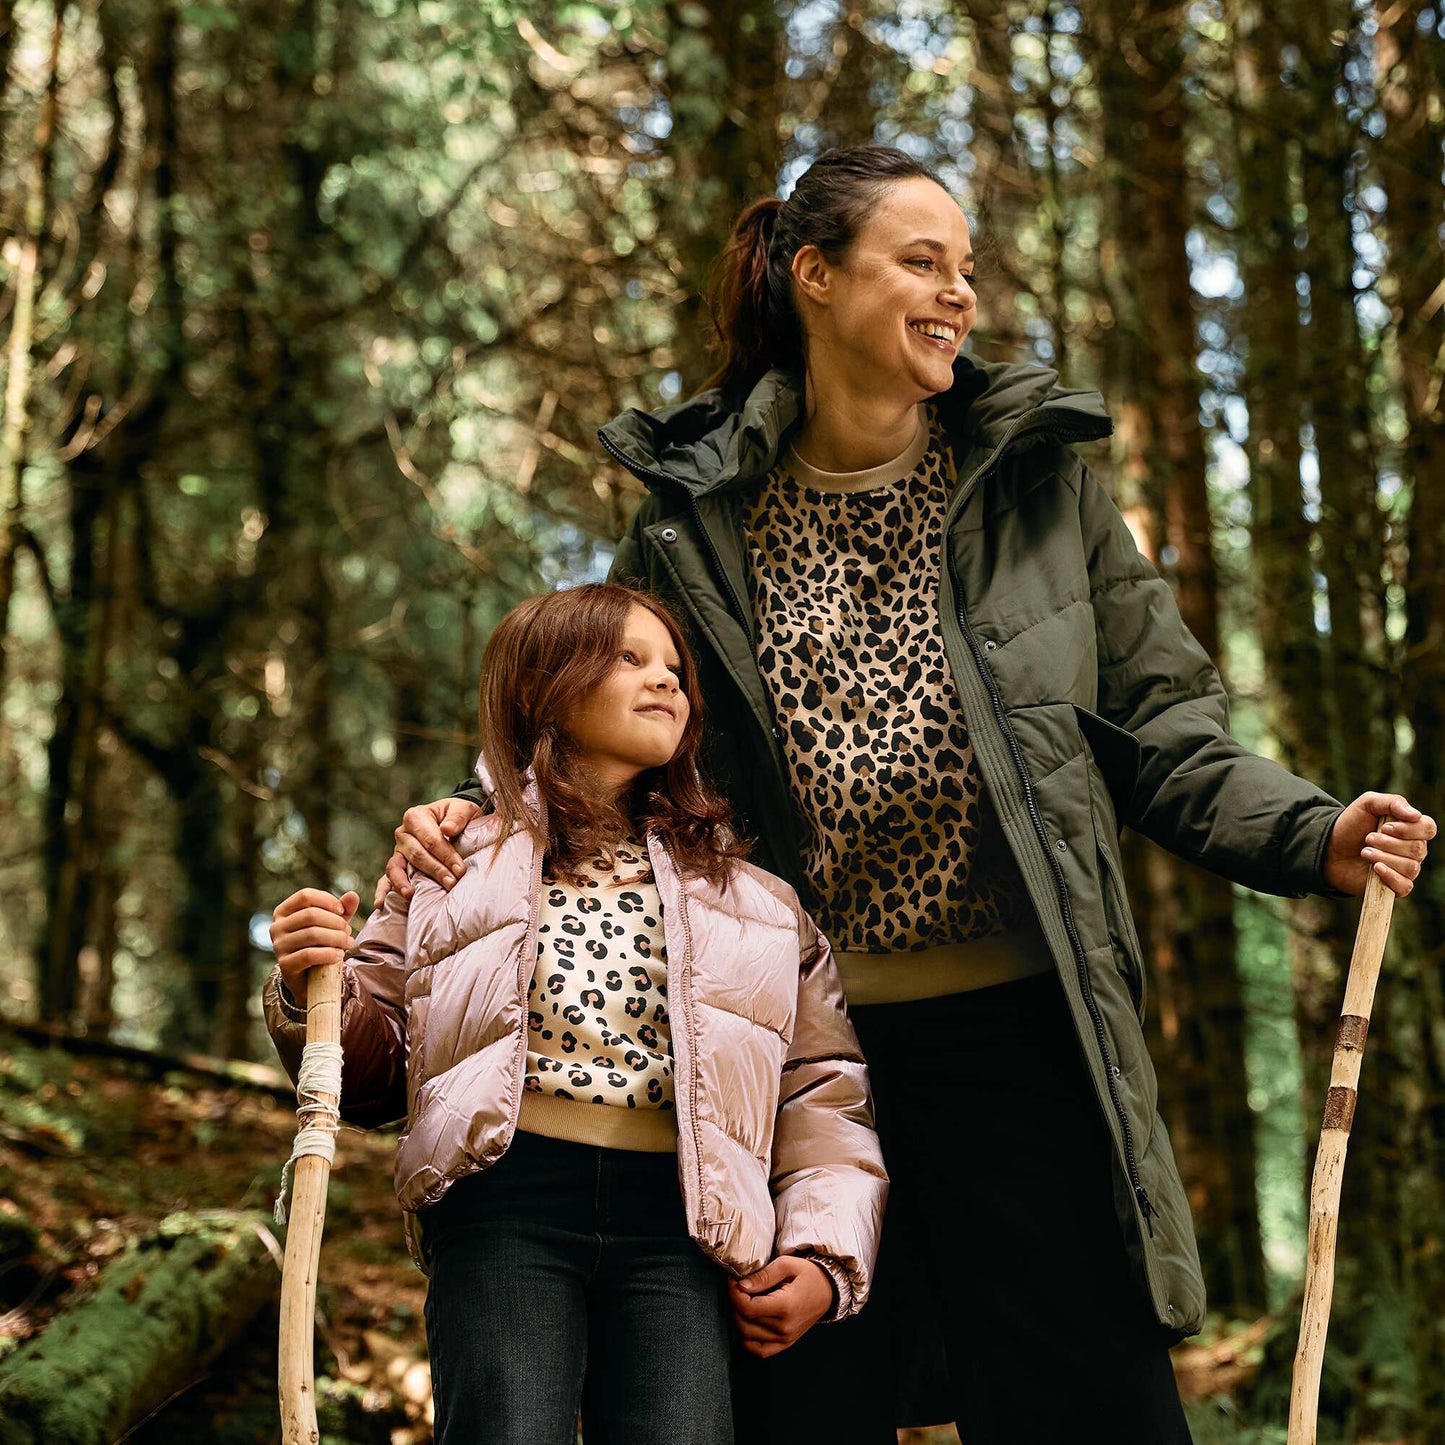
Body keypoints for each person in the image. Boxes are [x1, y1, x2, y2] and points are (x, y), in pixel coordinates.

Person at [380, 147, 1436, 1443]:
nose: (959, 297)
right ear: (815, 278)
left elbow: (1164, 729)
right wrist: (478, 814)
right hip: (792, 1063)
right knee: (802, 1402)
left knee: (1090, 1405)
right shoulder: (696, 517)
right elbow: (597, 708)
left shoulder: (1042, 490)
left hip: (1022, 1038)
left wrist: (1311, 829)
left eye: (969, 270)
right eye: (922, 263)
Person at [263, 582, 887, 1445]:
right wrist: (308, 983)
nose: (665, 679)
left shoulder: (757, 904)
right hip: (504, 1203)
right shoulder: (447, 866)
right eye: (629, 658)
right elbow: (370, 1073)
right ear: (543, 686)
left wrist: (823, 1253)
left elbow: (824, 1093)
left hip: (683, 1226)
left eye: (673, 666)